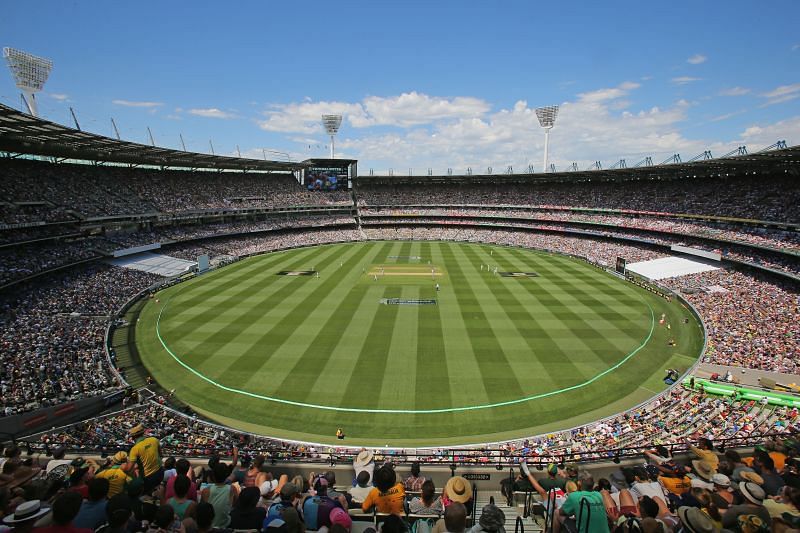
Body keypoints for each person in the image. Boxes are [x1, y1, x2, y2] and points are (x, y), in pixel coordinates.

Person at [200, 462, 237, 528]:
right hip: (225, 525)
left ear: (213, 476)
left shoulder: (206, 491)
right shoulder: (232, 489)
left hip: (209, 526)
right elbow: (236, 505)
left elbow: (202, 509)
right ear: (227, 475)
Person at [128, 424, 163, 493]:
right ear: (143, 433)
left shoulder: (135, 449)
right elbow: (160, 455)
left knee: (147, 495)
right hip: (160, 472)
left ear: (133, 437)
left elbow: (129, 469)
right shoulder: (154, 439)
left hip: (148, 478)